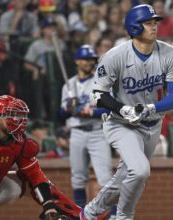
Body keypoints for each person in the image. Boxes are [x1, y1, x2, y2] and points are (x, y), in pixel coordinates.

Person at [81, 4, 173, 219]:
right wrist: (123, 109)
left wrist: (150, 109)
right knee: (139, 171)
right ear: (134, 27)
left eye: (155, 22)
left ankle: (90, 212)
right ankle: (124, 216)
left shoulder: (170, 53)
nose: (154, 27)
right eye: (148, 23)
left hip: (152, 123)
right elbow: (99, 94)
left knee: (125, 177)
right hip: (121, 123)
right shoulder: (114, 56)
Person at [60, 44, 113, 211]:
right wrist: (68, 109)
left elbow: (109, 109)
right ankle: (79, 213)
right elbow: (61, 115)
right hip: (77, 133)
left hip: (98, 132)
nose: (89, 62)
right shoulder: (68, 86)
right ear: (77, 62)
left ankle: (113, 215)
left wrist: (89, 112)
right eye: (86, 59)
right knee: (77, 178)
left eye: (92, 59)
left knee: (105, 179)